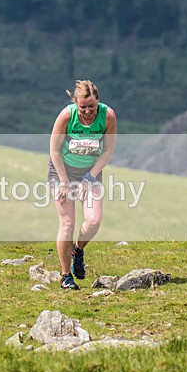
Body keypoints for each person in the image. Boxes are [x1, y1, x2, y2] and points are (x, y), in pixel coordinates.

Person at [48, 80, 117, 290]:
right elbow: (54, 149)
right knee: (67, 224)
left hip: (91, 172)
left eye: (91, 106)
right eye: (83, 107)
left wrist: (90, 177)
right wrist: (64, 182)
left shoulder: (107, 116)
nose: (87, 111)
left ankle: (77, 251)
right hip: (62, 172)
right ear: (76, 104)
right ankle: (66, 277)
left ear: (98, 101)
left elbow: (107, 150)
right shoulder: (67, 116)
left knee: (94, 221)